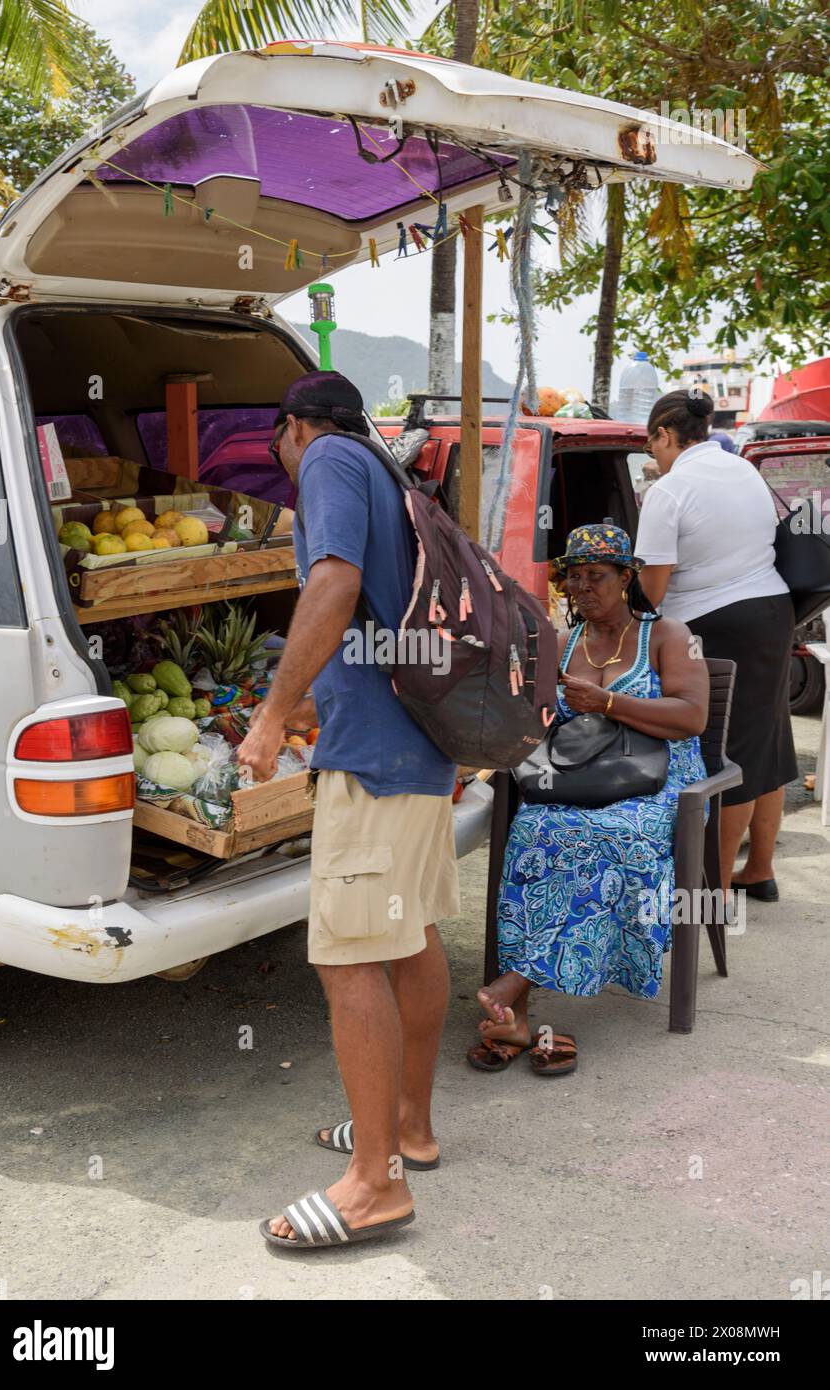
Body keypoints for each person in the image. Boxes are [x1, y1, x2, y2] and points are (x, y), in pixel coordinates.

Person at [238, 371, 459, 1250]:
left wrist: (264, 716)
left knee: (348, 958)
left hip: (372, 757)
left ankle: (375, 1185)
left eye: (274, 450)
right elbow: (375, 617)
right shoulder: (387, 468)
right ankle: (406, 1129)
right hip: (420, 741)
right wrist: (309, 700)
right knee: (410, 936)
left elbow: (331, 585)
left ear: (294, 429)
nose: (284, 464)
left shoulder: (328, 457)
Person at [468, 524, 709, 1074]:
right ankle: (522, 1018)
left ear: (627, 577)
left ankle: (517, 983)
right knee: (534, 830)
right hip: (580, 778)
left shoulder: (670, 634)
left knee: (611, 836)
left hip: (660, 783)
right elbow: (541, 724)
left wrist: (606, 703)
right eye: (572, 579)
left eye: (595, 576)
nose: (581, 588)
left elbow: (693, 716)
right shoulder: (561, 640)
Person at [636, 389, 797, 901]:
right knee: (764, 740)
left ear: (665, 434)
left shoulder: (670, 490)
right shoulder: (742, 468)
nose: (653, 458)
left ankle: (714, 890)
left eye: (651, 446)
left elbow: (652, 592)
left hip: (719, 624)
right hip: (774, 611)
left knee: (726, 756)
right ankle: (759, 871)